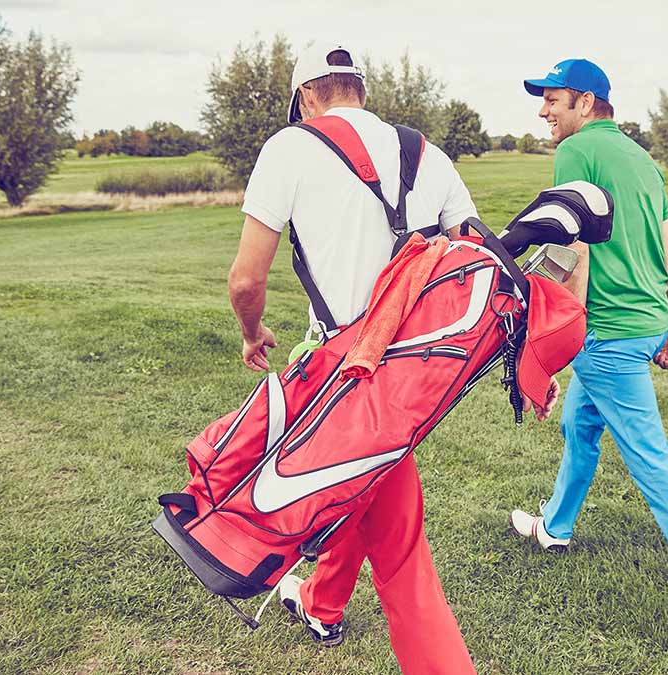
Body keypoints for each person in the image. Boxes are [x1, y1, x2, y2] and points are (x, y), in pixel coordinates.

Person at [226, 40, 479, 672]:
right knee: (359, 484)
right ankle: (323, 605)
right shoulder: (426, 153)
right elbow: (475, 257)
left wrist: (253, 333)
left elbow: (246, 281)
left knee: (401, 555)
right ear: (360, 89)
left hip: (347, 371)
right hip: (419, 371)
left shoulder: (290, 146)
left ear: (306, 95)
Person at [507, 59, 668, 644]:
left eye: (553, 100)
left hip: (609, 331)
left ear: (585, 102)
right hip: (645, 322)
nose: (544, 111)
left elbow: (574, 250)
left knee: (651, 460)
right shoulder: (642, 159)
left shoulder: (576, 151)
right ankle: (556, 526)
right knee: (579, 424)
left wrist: (556, 341)